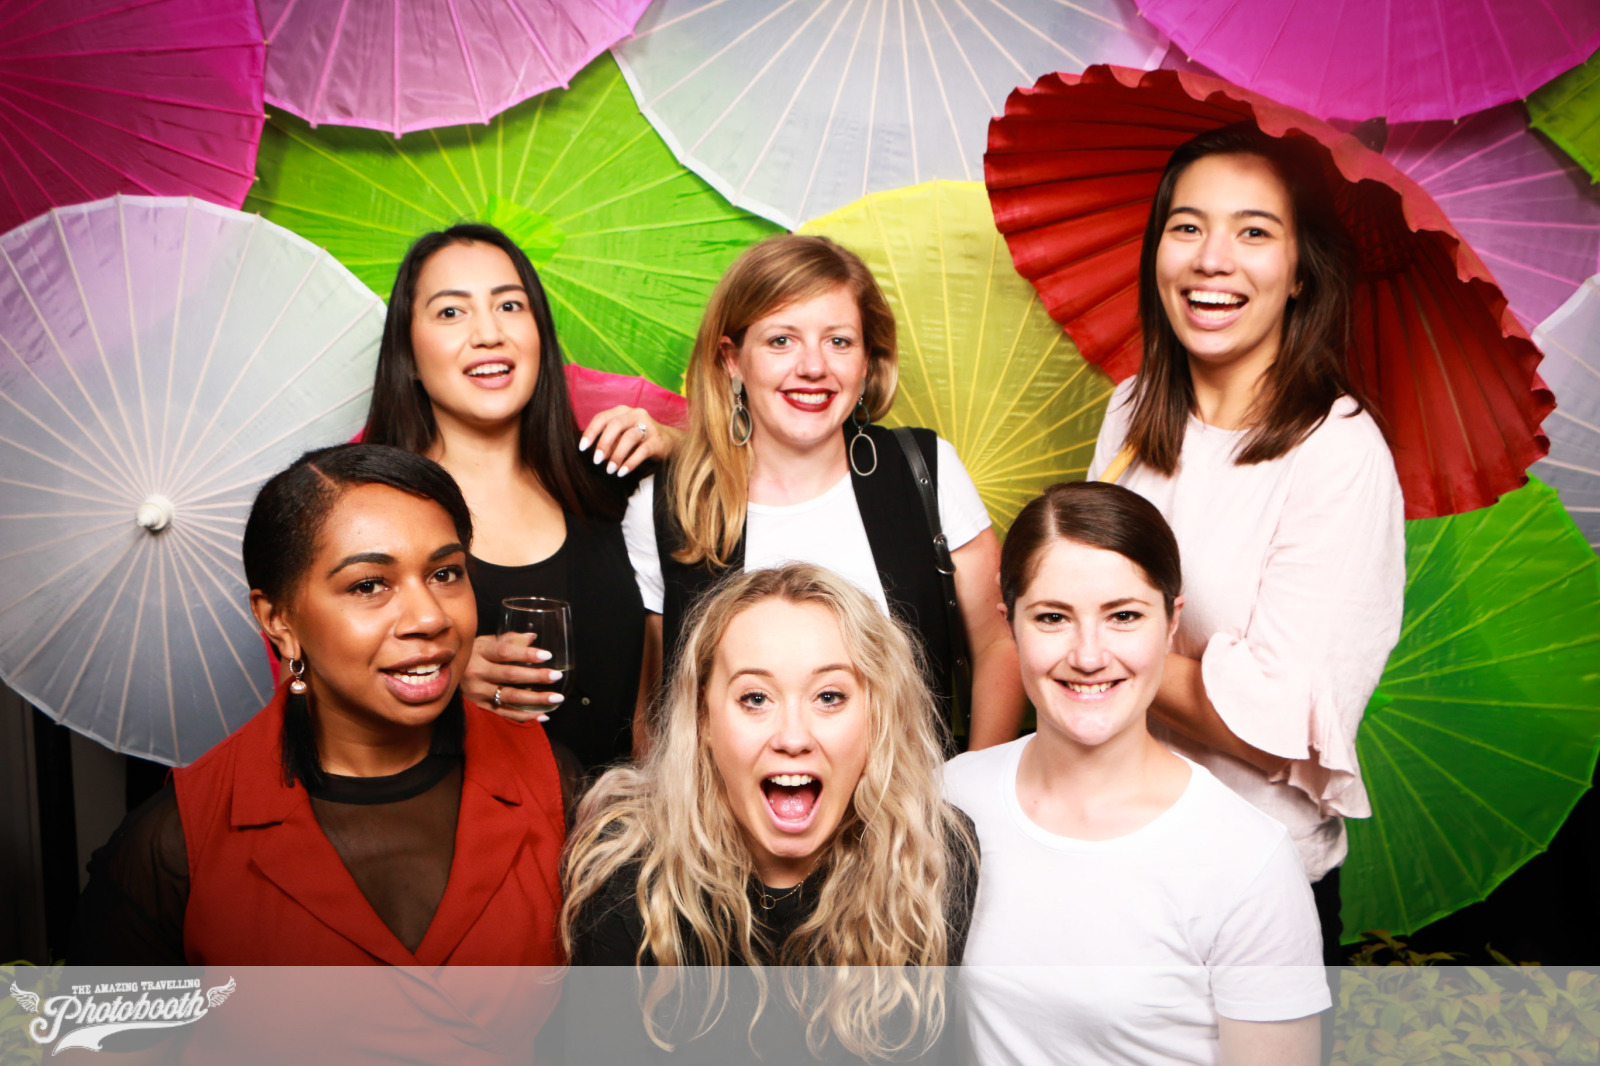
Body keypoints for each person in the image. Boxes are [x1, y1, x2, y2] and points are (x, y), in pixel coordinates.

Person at [1085, 125, 1406, 959]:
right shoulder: (1131, 410)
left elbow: (1279, 727)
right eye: (1187, 226)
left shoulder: (1337, 454)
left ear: (1300, 272)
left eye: (1253, 231)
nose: (1211, 260)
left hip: (1247, 896)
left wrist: (1087, 644)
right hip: (1109, 858)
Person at [945, 481, 1328, 1066]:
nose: (1089, 656)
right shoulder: (949, 798)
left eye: (1124, 616)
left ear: (1172, 622)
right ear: (1011, 625)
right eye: (1052, 617)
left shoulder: (1247, 861)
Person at [561, 564, 979, 1063]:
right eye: (755, 698)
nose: (793, 737)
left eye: (829, 697)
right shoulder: (628, 876)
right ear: (703, 719)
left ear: (877, 716)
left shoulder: (932, 856)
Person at [622, 234, 1024, 750]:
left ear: (867, 360)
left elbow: (998, 644)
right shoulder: (664, 507)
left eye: (838, 341)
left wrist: (970, 784)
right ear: (732, 360)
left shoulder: (926, 469)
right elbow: (656, 714)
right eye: (781, 341)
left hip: (922, 799)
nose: (813, 367)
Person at [364, 222, 671, 776]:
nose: (488, 334)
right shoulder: (368, 515)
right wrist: (437, 677)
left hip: (623, 820)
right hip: (465, 818)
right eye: (451, 312)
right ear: (406, 354)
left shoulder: (610, 478)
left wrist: (678, 444)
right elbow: (323, 695)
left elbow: (762, 487)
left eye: (510, 306)